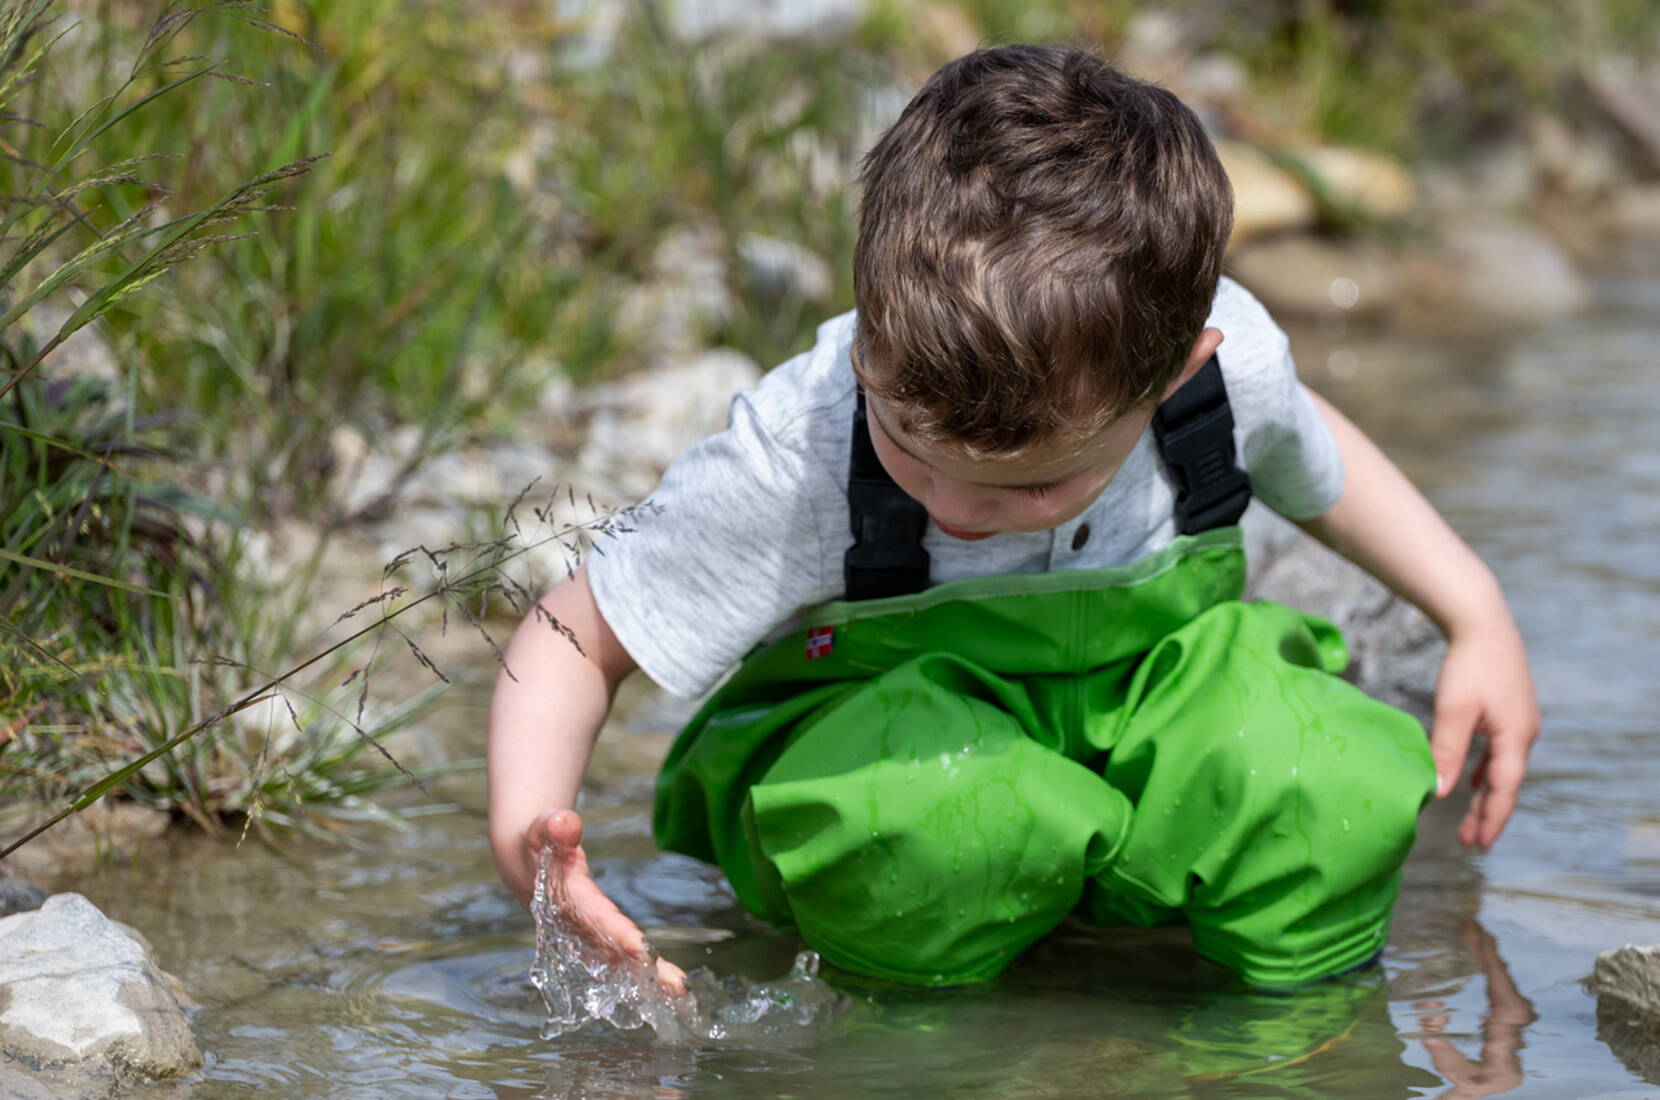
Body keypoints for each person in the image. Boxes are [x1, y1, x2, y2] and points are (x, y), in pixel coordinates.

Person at [487, 44, 1539, 992]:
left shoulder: (1226, 376)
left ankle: (1288, 1035)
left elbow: (1318, 458)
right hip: (888, 768)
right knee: (940, 821)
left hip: (1143, 715)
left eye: (1031, 485)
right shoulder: (799, 447)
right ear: (870, 346)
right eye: (910, 451)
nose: (954, 508)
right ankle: (917, 1035)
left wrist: (1473, 612)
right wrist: (525, 837)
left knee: (1324, 777)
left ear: (1176, 375)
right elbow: (576, 631)